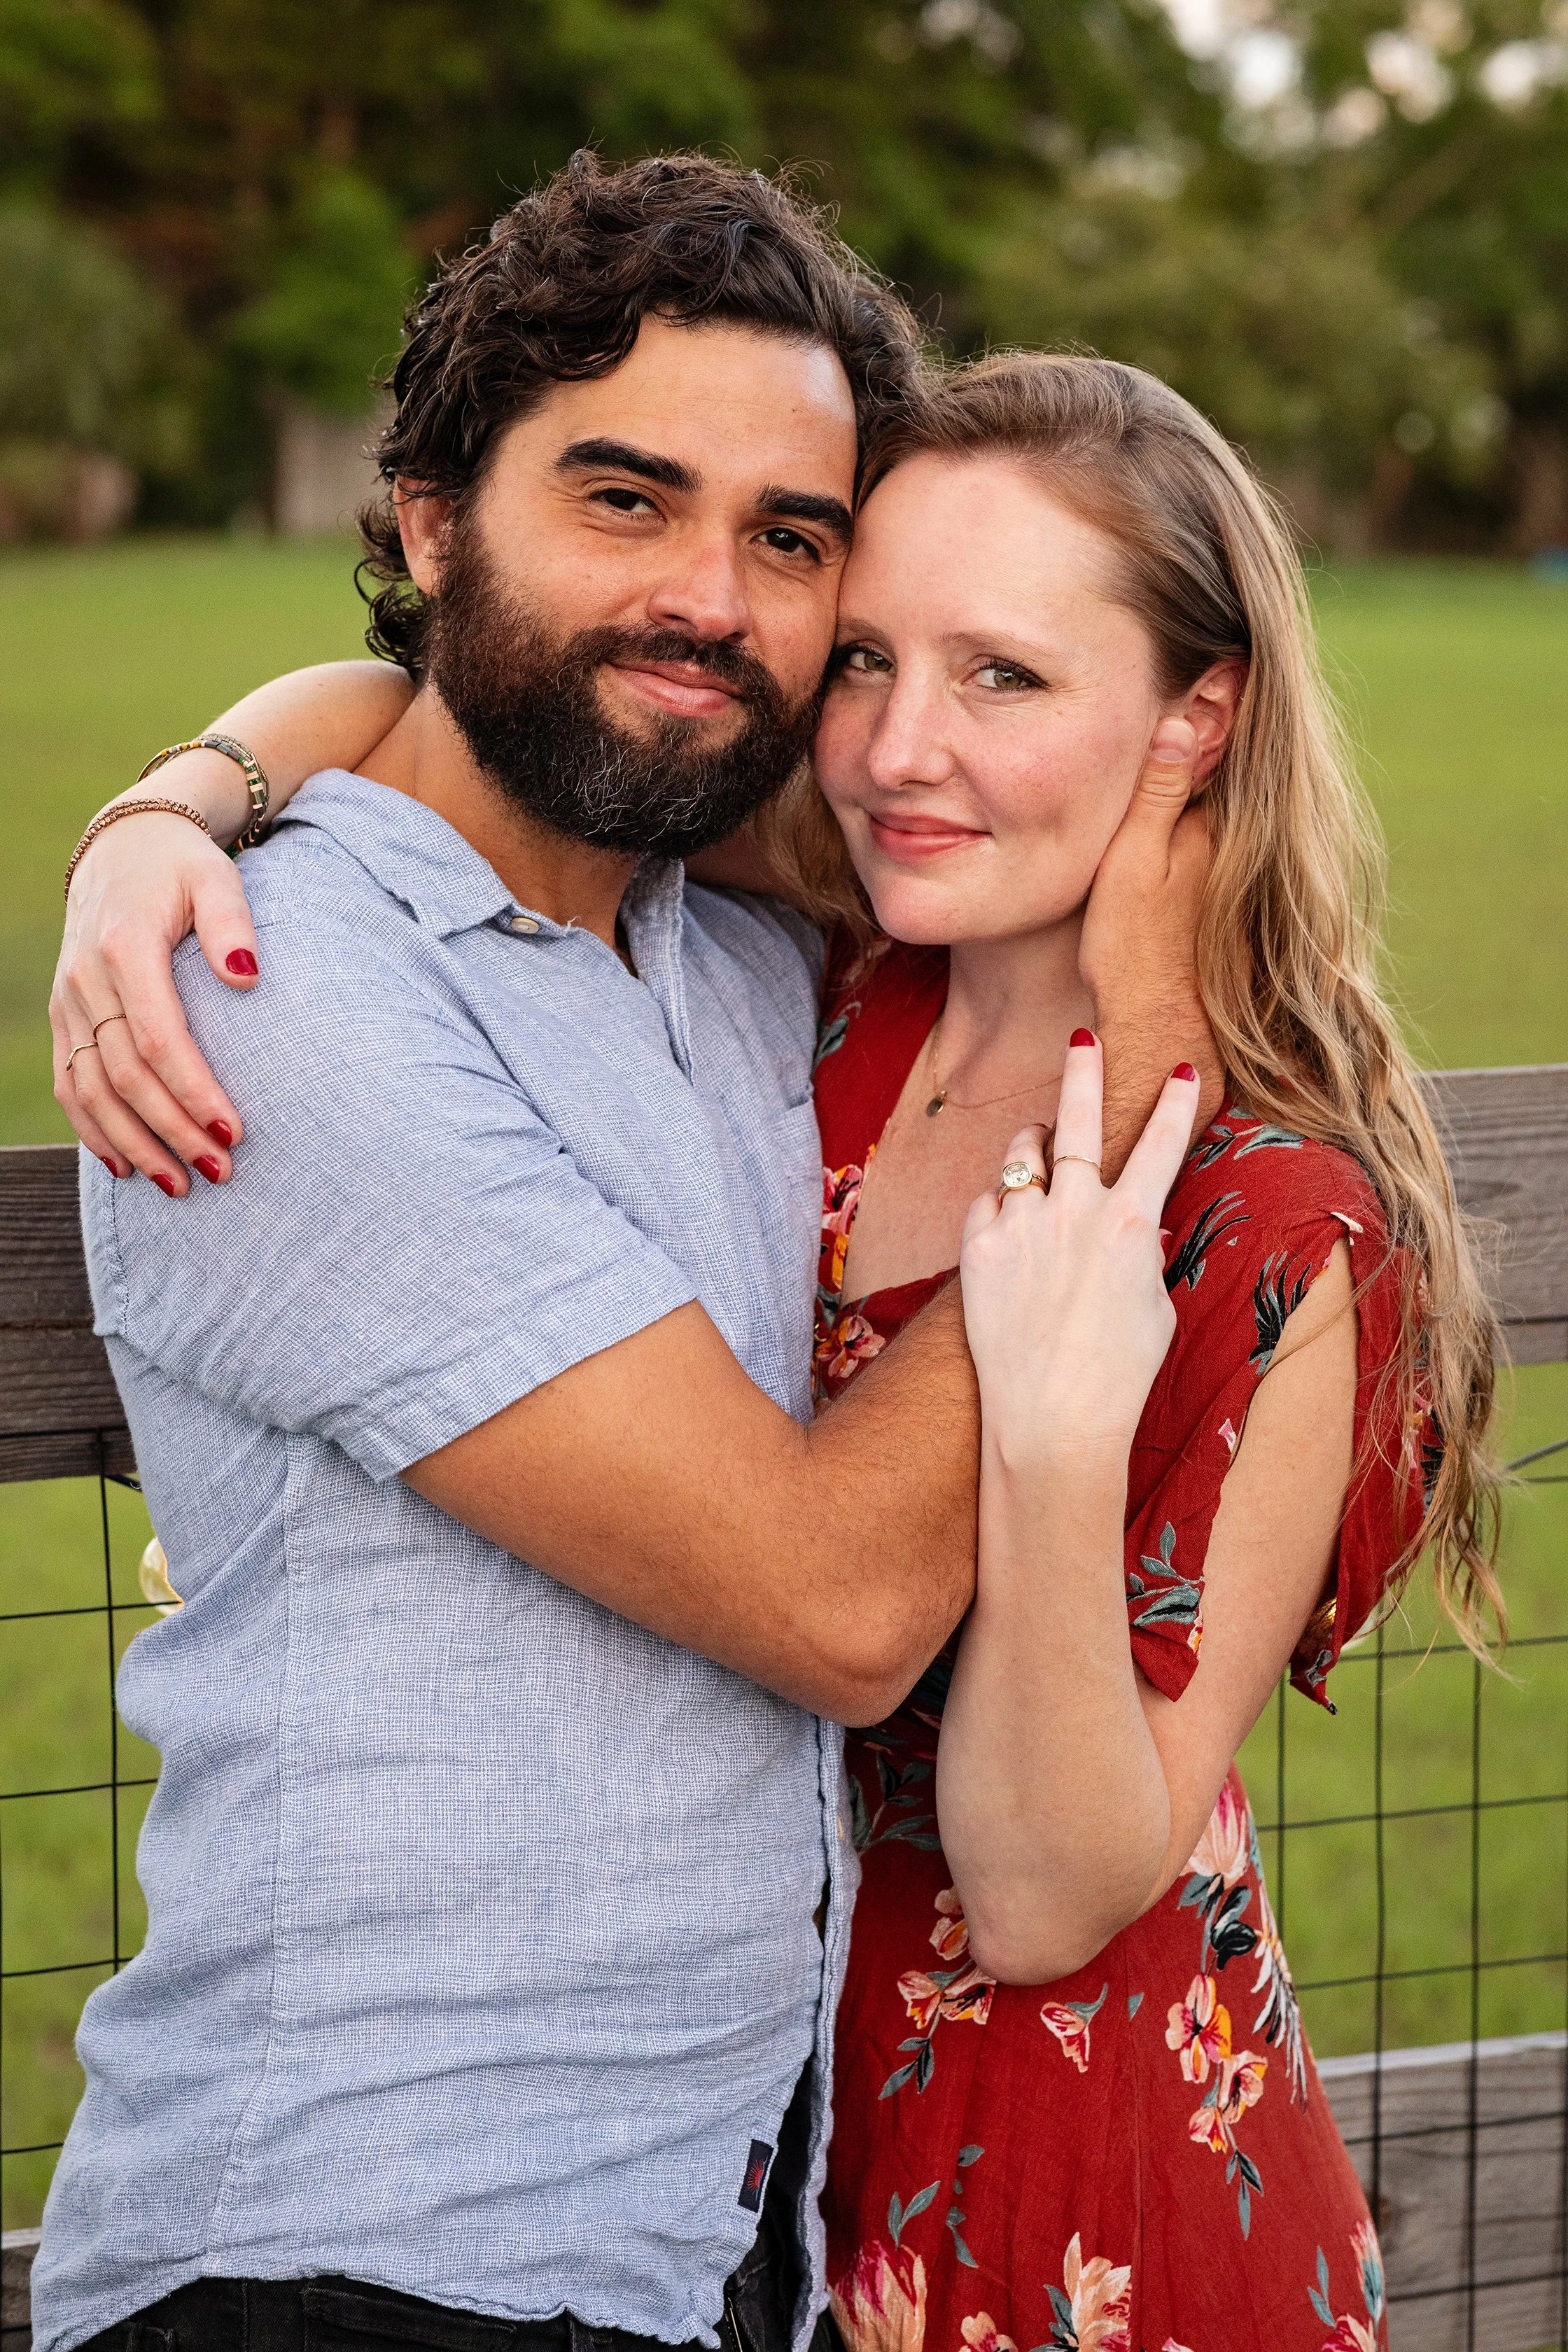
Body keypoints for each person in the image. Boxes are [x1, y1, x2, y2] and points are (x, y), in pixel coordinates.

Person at [56, 352, 1504, 2351]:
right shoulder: (804, 998)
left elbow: (1050, 1893)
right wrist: (171, 807)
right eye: (869, 664)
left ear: (1198, 711)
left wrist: (1063, 1440)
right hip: (738, 2183)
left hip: (1067, 2184)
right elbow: (445, 713)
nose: (905, 749)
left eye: (1006, 678)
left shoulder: (1274, 1227)